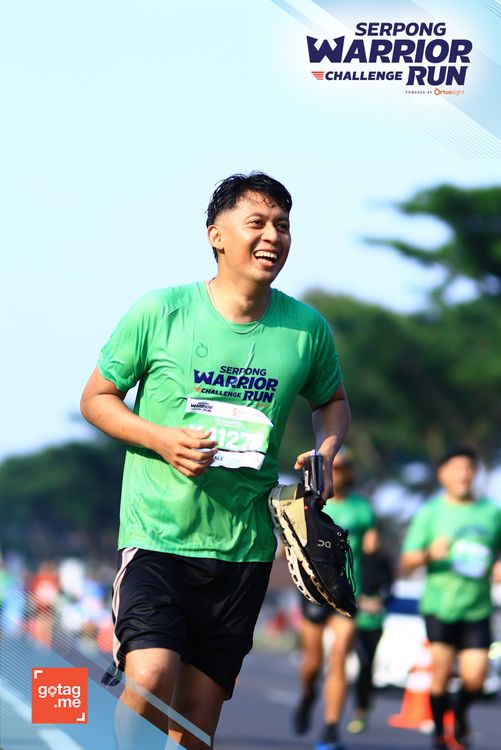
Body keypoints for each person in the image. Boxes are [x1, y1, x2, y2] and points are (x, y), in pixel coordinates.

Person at [80, 172, 351, 750]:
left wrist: (326, 450)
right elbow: (97, 399)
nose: (272, 236)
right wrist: (161, 439)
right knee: (150, 676)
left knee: (196, 723)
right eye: (257, 223)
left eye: (282, 225)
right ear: (216, 235)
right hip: (159, 536)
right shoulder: (160, 311)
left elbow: (332, 402)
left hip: (243, 549)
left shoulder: (305, 329)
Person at [400, 446, 501, 750]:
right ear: (443, 474)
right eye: (457, 469)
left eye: (469, 468)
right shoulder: (430, 512)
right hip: (440, 606)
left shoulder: (491, 512)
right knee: (441, 674)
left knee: (476, 678)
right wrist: (429, 554)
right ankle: (438, 735)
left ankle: (458, 714)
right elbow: (407, 561)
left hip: (477, 607)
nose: (463, 475)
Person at [291, 448, 375, 750]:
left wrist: (375, 589)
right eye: (332, 467)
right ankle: (307, 695)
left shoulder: (362, 508)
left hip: (346, 593)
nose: (337, 472)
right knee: (313, 663)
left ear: (350, 472)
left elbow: (372, 550)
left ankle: (330, 728)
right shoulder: (309, 502)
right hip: (314, 593)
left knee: (339, 656)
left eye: (343, 467)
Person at [346, 536, 394, 735]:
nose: (374, 542)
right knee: (356, 661)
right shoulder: (353, 557)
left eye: (377, 539)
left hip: (374, 622)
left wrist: (379, 601)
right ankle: (355, 706)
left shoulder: (383, 562)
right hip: (352, 620)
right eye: (370, 538)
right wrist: (359, 602)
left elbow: (390, 590)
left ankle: (362, 708)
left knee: (367, 665)